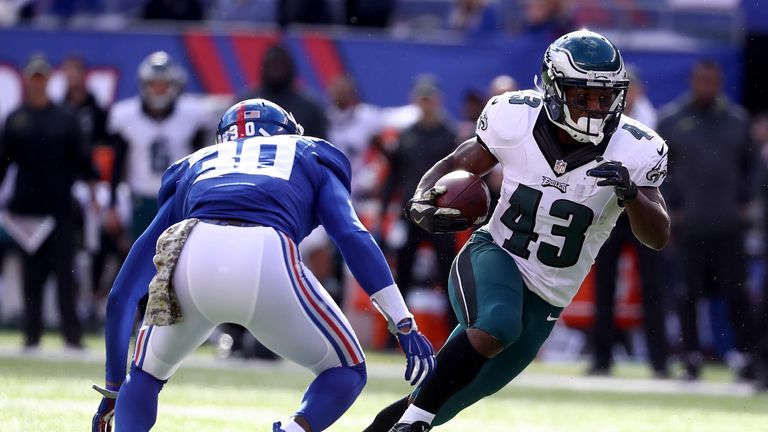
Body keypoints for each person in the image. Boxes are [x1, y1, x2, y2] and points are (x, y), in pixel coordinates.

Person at [364, 29, 670, 432]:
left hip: (547, 298)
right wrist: (423, 197)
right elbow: (459, 162)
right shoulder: (516, 118)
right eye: (582, 96)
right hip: (494, 255)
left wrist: (631, 195)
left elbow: (658, 236)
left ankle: (408, 421)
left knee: (440, 399)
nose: (596, 107)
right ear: (555, 90)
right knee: (497, 325)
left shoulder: (636, 148)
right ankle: (414, 424)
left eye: (604, 96)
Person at [90, 99, 436, 432]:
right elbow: (351, 235)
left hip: (191, 249)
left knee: (145, 376)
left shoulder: (196, 163)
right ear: (287, 131)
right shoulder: (307, 151)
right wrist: (403, 323)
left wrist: (113, 388)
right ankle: (294, 429)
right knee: (346, 370)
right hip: (265, 254)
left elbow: (123, 293)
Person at [657, 60, 755, 381]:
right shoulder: (671, 120)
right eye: (701, 80)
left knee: (736, 293)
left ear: (720, 82)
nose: (706, 86)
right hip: (689, 226)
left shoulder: (738, 121)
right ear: (691, 81)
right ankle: (690, 356)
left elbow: (753, 168)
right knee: (687, 294)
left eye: (712, 80)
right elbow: (658, 169)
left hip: (728, 224)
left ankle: (744, 356)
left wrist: (744, 203)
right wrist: (672, 206)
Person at [0, 54, 98, 350]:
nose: (38, 83)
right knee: (32, 275)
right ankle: (32, 336)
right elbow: (3, 162)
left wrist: (93, 187)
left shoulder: (65, 117)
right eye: (34, 78)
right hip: (26, 211)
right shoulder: (16, 118)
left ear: (48, 80)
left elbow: (82, 158)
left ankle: (72, 336)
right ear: (28, 81)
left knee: (65, 274)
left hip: (59, 209)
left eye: (43, 78)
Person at [587, 67, 670, 378]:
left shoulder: (656, 125)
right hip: (609, 210)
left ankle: (659, 359)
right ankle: (601, 357)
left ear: (639, 91)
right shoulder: (603, 124)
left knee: (654, 286)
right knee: (603, 284)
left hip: (643, 207)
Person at [106, 51, 209, 243]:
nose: (159, 90)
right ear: (144, 85)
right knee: (140, 255)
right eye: (155, 84)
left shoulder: (192, 114)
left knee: (179, 257)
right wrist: (112, 204)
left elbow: (201, 161)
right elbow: (118, 163)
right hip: (140, 199)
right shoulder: (126, 116)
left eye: (164, 84)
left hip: (178, 198)